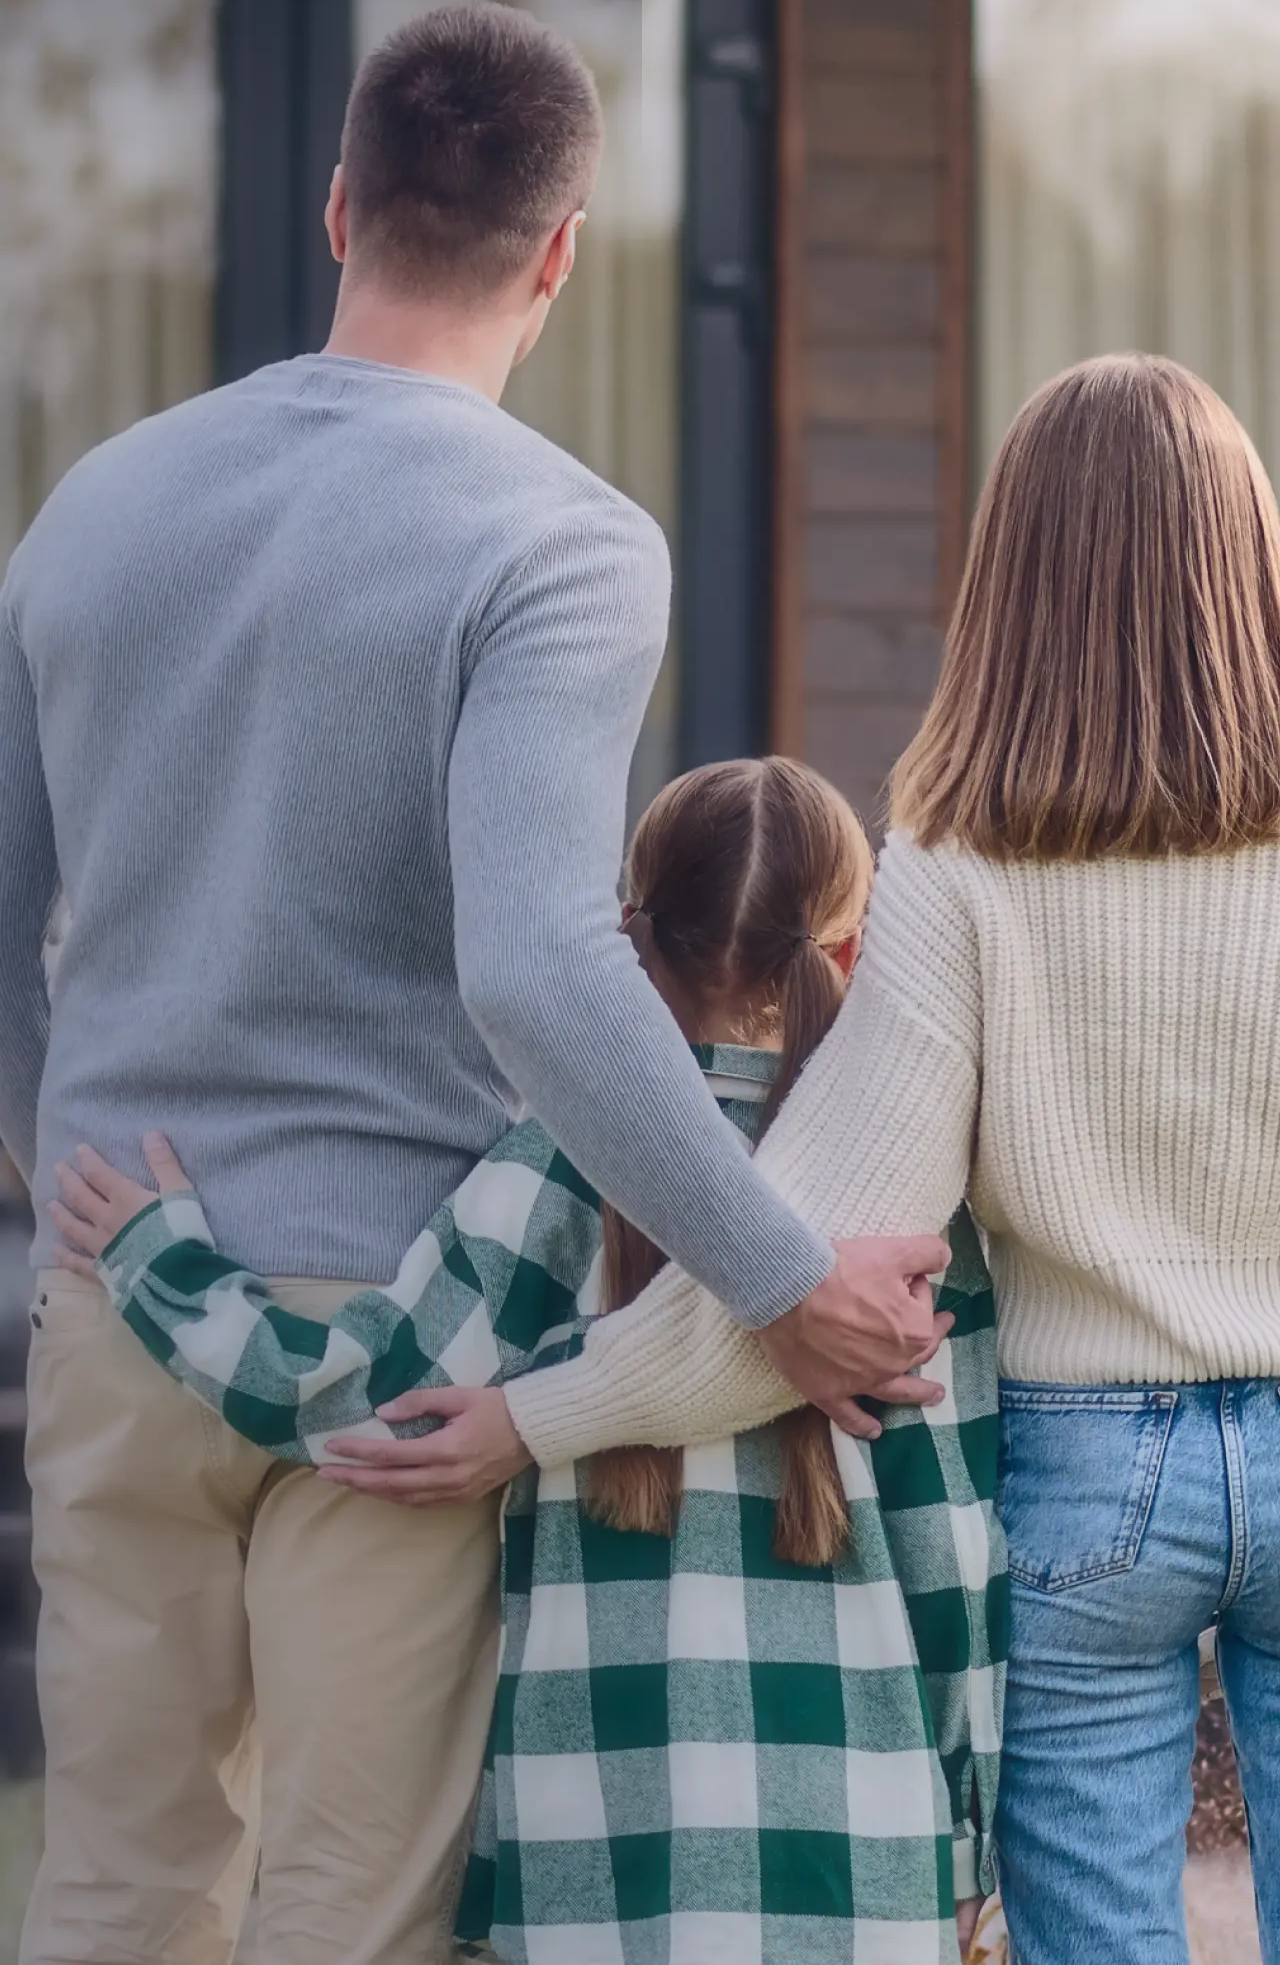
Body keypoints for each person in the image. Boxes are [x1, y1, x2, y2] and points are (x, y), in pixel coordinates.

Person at [0, 0, 947, 1965]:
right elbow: (535, 962)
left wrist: (70, 1178)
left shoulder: (89, 506)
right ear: (562, 250)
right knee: (349, 1919)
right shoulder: (561, 545)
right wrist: (777, 1286)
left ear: (343, 206)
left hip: (115, 1282)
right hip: (400, 1338)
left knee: (112, 1885)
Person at [388, 355, 1280, 1965]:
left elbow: (801, 1269)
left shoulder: (957, 863)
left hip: (1093, 1477)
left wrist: (540, 1414)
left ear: (1014, 577)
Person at [52, 758, 1005, 1964]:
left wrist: (160, 1262)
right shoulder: (917, 1219)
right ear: (855, 956)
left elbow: (360, 1396)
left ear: (625, 948)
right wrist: (972, 1849)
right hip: (864, 1855)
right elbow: (959, 1557)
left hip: (590, 1860)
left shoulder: (559, 1165)